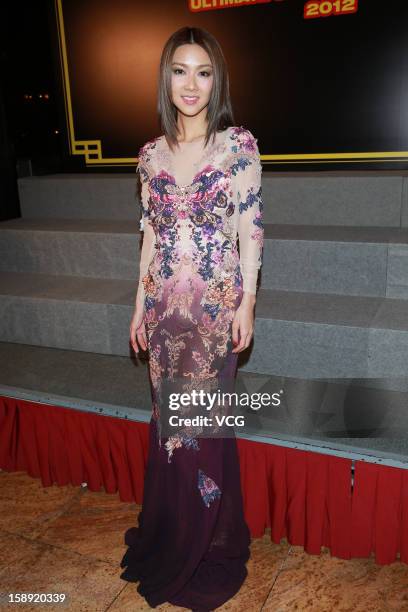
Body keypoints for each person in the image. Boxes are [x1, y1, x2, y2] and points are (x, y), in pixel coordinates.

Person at [120, 25, 264, 611]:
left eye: (203, 72)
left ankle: (208, 546)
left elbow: (250, 229)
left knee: (200, 433)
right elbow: (150, 233)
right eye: (180, 70)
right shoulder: (149, 155)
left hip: (212, 315)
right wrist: (136, 304)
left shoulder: (238, 147)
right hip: (162, 316)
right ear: (166, 77)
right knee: (170, 433)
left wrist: (248, 301)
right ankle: (173, 535)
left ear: (216, 80)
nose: (191, 84)